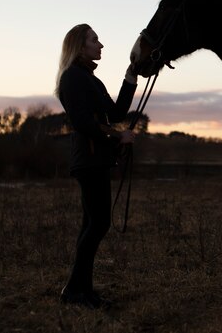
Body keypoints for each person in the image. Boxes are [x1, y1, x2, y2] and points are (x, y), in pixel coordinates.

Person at [54, 24, 138, 309]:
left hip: (95, 160)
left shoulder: (90, 79)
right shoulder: (73, 78)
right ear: (80, 46)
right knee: (99, 223)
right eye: (95, 40)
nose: (100, 45)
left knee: (90, 224)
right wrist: (118, 136)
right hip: (88, 161)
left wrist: (130, 78)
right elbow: (83, 123)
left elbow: (115, 113)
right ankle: (74, 291)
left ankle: (81, 291)